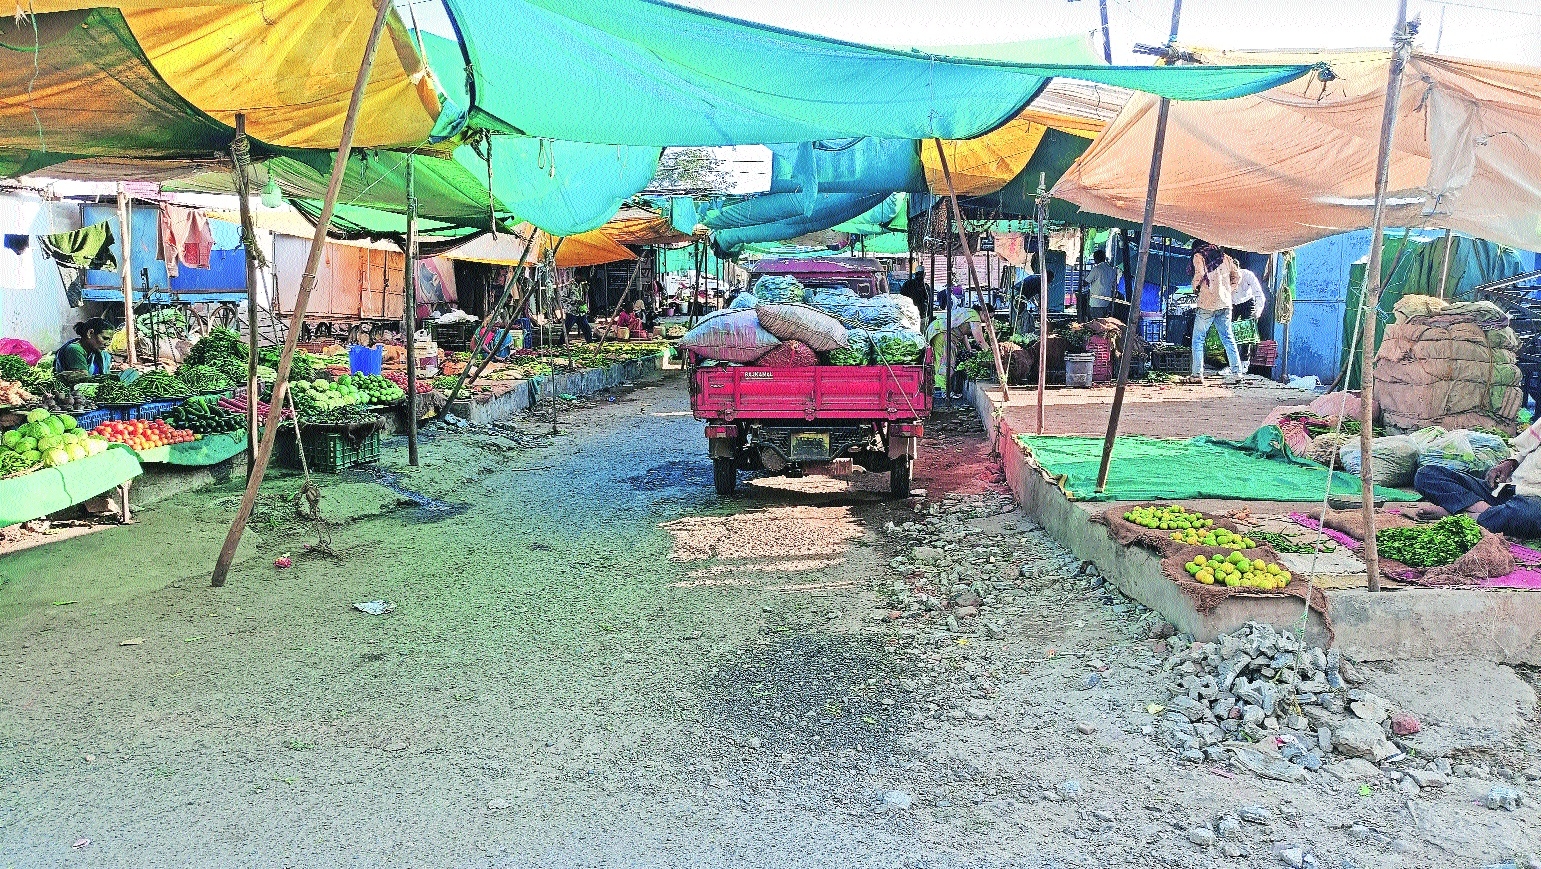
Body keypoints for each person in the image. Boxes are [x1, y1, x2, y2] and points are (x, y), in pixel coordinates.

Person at [1413, 423, 1541, 538]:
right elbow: (1526, 449)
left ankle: (1462, 515)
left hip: (1532, 502)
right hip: (1504, 491)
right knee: (1427, 474)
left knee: (1526, 515)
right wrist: (1510, 463)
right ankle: (1487, 513)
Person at [1190, 244, 1243, 380]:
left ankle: (1197, 374)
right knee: (1228, 338)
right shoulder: (1225, 257)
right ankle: (1237, 373)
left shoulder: (1199, 256)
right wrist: (1228, 290)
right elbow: (1237, 276)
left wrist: (1195, 287)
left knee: (1198, 339)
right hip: (1224, 303)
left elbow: (1200, 274)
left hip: (1207, 303)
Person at [54, 317, 112, 383]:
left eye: (110, 340)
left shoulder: (96, 352)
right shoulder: (74, 349)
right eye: (105, 338)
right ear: (90, 333)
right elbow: (83, 379)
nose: (107, 344)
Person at [1082, 250, 1119, 320]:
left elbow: (1085, 283)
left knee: (1097, 325)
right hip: (1107, 302)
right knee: (1104, 324)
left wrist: (1083, 279)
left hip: (1096, 302)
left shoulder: (1096, 269)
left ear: (1096, 258)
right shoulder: (1111, 269)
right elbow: (1114, 284)